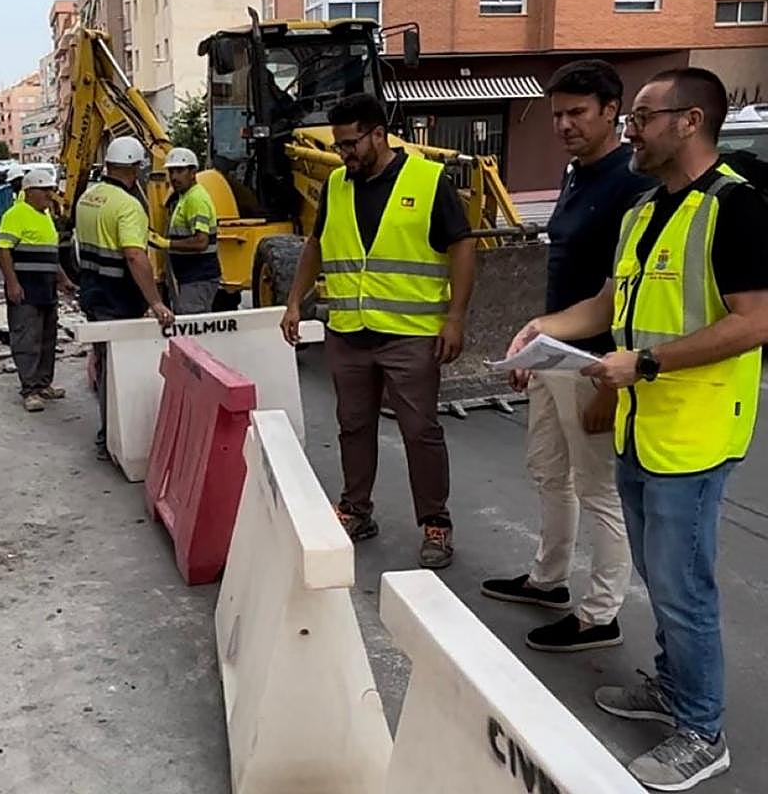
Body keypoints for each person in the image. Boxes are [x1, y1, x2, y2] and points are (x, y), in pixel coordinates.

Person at [505, 67, 768, 791]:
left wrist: (646, 362)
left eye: (643, 118)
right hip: (640, 427)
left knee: (684, 588)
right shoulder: (644, 209)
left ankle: (703, 732)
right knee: (659, 576)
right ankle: (673, 688)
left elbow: (755, 322)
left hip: (695, 432)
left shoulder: (735, 208)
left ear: (690, 121)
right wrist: (542, 327)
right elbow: (605, 304)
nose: (632, 132)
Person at [482, 60, 652, 654]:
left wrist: (610, 384)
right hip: (555, 352)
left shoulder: (633, 184)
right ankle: (548, 579)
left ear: (611, 110)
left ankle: (600, 614)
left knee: (599, 490)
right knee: (549, 472)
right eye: (556, 114)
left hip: (596, 364)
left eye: (577, 112)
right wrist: (536, 347)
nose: (563, 125)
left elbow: (625, 294)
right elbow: (566, 272)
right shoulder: (577, 173)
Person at [280, 93, 477, 569]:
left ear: (378, 135)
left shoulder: (428, 180)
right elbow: (316, 244)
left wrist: (455, 318)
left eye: (351, 144)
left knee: (420, 431)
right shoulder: (336, 185)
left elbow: (462, 246)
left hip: (411, 333)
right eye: (339, 145)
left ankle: (436, 522)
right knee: (353, 426)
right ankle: (355, 510)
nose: (343, 153)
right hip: (349, 332)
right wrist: (294, 301)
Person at [75, 136, 174, 459]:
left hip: (93, 292)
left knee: (106, 364)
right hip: (118, 297)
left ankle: (110, 436)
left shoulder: (88, 199)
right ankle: (114, 439)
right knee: (121, 372)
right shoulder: (128, 206)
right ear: (134, 169)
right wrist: (155, 301)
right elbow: (134, 255)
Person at [0, 169, 75, 412]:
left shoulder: (45, 216)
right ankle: (30, 390)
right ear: (30, 192)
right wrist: (12, 283)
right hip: (26, 290)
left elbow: (50, 255)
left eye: (51, 189)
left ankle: (43, 384)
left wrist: (63, 279)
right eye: (45, 190)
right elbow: (3, 250)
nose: (50, 195)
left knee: (47, 340)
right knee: (26, 340)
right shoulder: (15, 215)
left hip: (46, 290)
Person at [164, 147, 221, 314]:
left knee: (191, 323)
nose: (174, 177)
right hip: (191, 277)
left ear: (193, 172)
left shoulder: (195, 199)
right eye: (171, 171)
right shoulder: (185, 197)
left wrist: (167, 243)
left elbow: (201, 242)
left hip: (198, 277)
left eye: (180, 171)